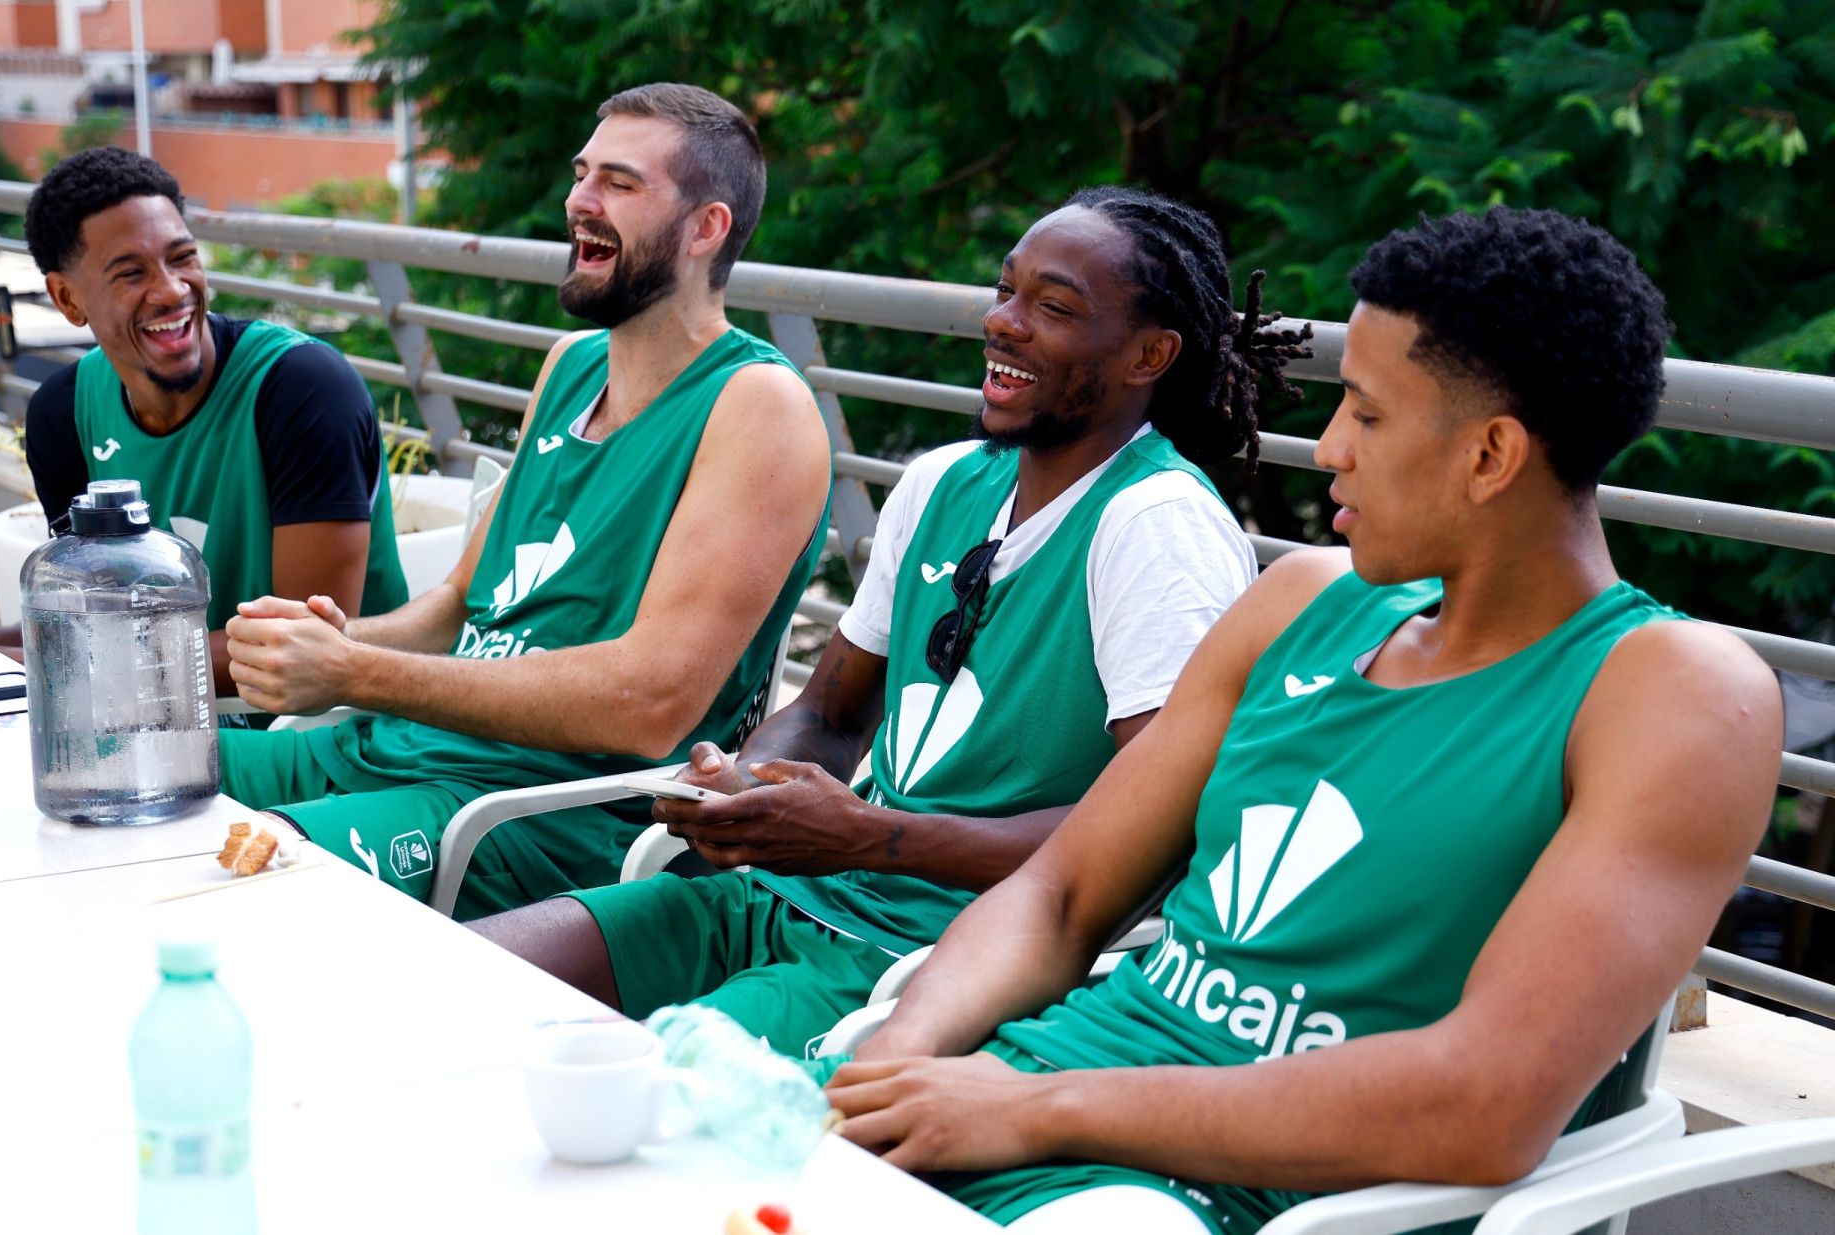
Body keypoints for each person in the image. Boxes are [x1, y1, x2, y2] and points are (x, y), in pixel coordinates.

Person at [817, 208, 1784, 1231]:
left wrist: (1034, 1107)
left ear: (1491, 454)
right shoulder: (1303, 602)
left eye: (1365, 415)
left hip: (1252, 1194)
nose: (1327, 450)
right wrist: (894, 1057)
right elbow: (1058, 897)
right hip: (1029, 1097)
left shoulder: (1675, 694)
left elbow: (1486, 1105)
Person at [473, 186, 1309, 1058]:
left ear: (1151, 354)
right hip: (794, 892)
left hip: (925, 961)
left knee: (611, 1080)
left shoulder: (1155, 524)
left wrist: (870, 836)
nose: (1004, 323)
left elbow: (1157, 835)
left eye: (1053, 307)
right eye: (1005, 291)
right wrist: (750, 785)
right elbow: (831, 714)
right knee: (465, 986)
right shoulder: (943, 481)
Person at [215, 83, 833, 918]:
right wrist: (324, 645)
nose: (579, 201)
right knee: (128, 775)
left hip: (536, 814)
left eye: (619, 183)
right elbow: (458, 609)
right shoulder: (570, 366)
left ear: (705, 228)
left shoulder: (759, 405)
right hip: (395, 753)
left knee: (221, 889)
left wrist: (359, 670)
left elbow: (651, 704)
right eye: (583, 175)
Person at [0, 146, 407, 695]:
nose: (172, 290)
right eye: (131, 273)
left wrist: (57, 663)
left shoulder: (303, 389)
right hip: (149, 716)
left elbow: (303, 647)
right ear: (67, 298)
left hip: (316, 732)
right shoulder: (63, 414)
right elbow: (93, 619)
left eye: (182, 257)